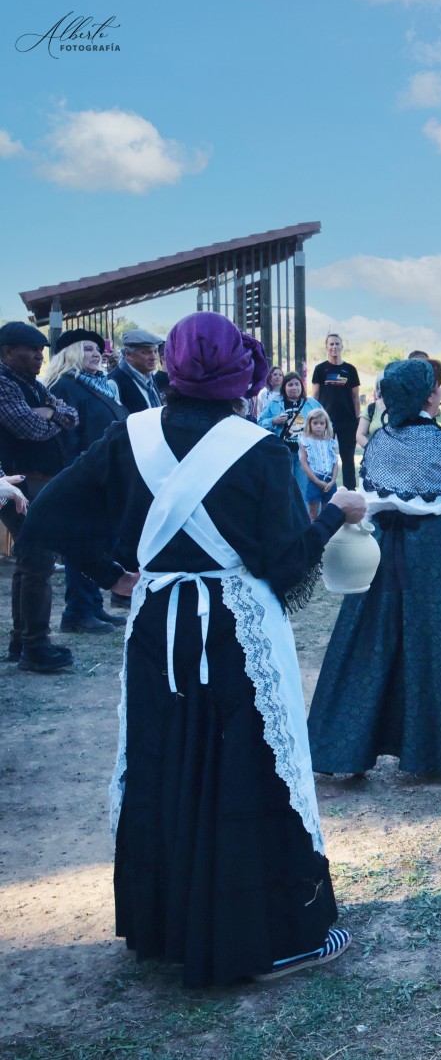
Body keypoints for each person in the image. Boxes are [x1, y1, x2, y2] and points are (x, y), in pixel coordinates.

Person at [19, 310, 368, 986]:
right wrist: (335, 514)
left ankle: (170, 924)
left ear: (174, 363)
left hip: (157, 622)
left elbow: (51, 512)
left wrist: (111, 575)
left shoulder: (131, 434)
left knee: (167, 759)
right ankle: (266, 940)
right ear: (237, 367)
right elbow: (286, 564)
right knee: (244, 769)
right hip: (235, 629)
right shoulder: (260, 447)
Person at [307, 358, 441, 778]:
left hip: (382, 547)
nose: (439, 393)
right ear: (425, 395)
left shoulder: (381, 441)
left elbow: (368, 499)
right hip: (433, 550)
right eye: (434, 387)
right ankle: (438, 745)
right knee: (433, 640)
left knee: (371, 641)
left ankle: (344, 744)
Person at [0, 320, 79, 671]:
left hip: (37, 481)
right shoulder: (3, 384)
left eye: (42, 352)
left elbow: (71, 415)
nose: (38, 357)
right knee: (39, 562)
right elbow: (27, 428)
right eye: (31, 350)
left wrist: (49, 412)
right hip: (20, 483)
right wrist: (50, 418)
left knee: (31, 560)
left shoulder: (32, 386)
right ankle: (35, 646)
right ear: (6, 352)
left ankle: (24, 641)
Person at [42, 328, 131, 633]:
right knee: (84, 544)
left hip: (104, 476)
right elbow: (67, 439)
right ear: (71, 353)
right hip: (85, 477)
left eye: (99, 349)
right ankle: (77, 611)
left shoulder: (98, 386)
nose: (98, 354)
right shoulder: (65, 387)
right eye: (89, 349)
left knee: (100, 544)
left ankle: (93, 606)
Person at [310, 333, 362, 490]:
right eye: (331, 344)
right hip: (325, 421)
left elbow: (355, 397)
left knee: (348, 458)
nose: (334, 347)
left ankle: (350, 491)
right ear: (327, 347)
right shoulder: (320, 369)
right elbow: (315, 396)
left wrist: (357, 418)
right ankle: (324, 489)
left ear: (342, 347)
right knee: (324, 457)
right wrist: (314, 419)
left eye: (337, 344)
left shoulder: (350, 369)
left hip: (348, 421)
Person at [259, 373, 323, 498]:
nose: (294, 387)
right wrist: (274, 421)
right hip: (283, 453)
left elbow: (326, 423)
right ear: (284, 387)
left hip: (306, 454)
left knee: (303, 489)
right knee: (284, 489)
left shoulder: (311, 404)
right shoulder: (274, 403)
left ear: (302, 386)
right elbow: (260, 423)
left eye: (297, 384)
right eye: (290, 385)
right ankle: (287, 516)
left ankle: (304, 517)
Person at [108, 330, 165, 413]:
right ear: (129, 355)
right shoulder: (114, 382)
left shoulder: (149, 377)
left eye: (155, 351)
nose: (154, 357)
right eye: (146, 352)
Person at [297, 408, 339, 520]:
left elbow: (335, 463)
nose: (318, 426)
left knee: (327, 513)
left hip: (329, 481)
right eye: (315, 423)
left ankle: (326, 535)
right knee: (313, 514)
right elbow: (304, 463)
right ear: (309, 424)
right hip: (314, 481)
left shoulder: (330, 442)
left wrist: (333, 481)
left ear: (326, 425)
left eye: (322, 423)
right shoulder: (305, 441)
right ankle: (312, 535)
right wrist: (316, 480)